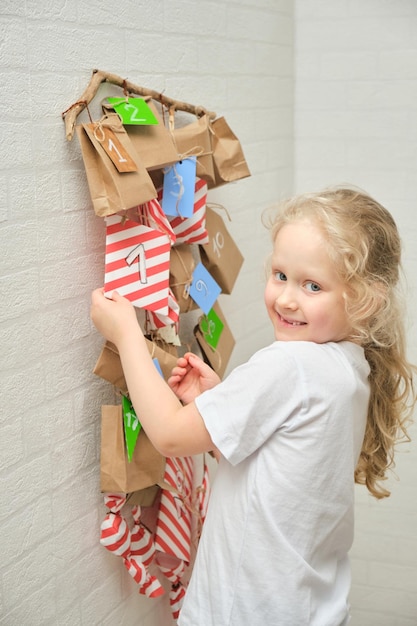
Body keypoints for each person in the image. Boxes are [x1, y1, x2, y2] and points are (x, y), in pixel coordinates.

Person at [91, 186, 415, 626]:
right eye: (280, 275)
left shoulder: (289, 365)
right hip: (304, 608)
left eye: (312, 285)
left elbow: (168, 435)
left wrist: (126, 333)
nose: (286, 298)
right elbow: (277, 467)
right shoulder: (349, 368)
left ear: (365, 301)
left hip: (244, 611)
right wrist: (215, 404)